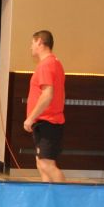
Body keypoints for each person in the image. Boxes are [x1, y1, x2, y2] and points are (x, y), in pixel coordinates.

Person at [22, 30, 66, 183]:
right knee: (41, 164)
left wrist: (30, 118)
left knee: (46, 164)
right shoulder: (55, 63)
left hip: (48, 122)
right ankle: (48, 195)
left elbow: (47, 95)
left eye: (32, 43)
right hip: (46, 122)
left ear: (40, 42)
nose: (31, 47)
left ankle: (65, 195)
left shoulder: (46, 65)